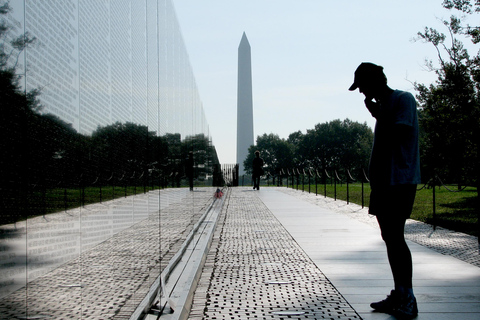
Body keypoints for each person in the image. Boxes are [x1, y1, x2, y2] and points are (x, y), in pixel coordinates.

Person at [349, 62, 421, 319]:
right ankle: (399, 292)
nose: (361, 93)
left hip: (399, 181)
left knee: (396, 237)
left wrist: (379, 114)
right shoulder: (385, 106)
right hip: (383, 183)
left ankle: (408, 296)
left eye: (362, 86)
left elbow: (400, 133)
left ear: (375, 82)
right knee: (389, 237)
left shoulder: (403, 100)